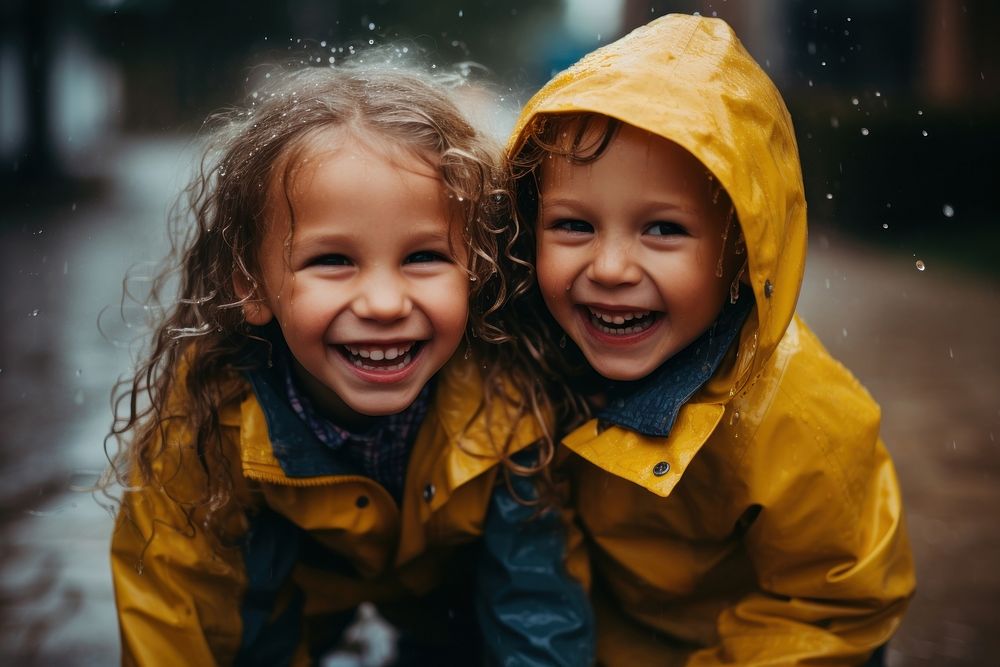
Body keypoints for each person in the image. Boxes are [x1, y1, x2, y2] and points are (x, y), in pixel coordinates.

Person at [106, 57, 593, 666]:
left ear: (478, 268)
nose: (385, 304)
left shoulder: (508, 392)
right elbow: (171, 606)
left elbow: (538, 600)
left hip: (454, 589)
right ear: (252, 285)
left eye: (424, 258)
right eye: (333, 261)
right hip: (298, 592)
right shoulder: (208, 413)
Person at [502, 14, 916, 666]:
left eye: (663, 229)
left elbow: (836, 601)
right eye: (574, 225)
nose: (610, 267)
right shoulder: (527, 359)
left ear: (739, 255)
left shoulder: (793, 410)